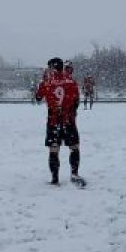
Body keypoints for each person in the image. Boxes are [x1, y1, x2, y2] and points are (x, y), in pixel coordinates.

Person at [35, 57, 85, 187]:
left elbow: (38, 97)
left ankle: (55, 178)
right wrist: (70, 111)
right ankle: (74, 173)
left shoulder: (47, 82)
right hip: (68, 120)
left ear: (52, 67)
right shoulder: (70, 81)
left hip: (54, 121)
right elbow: (76, 100)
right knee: (74, 147)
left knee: (53, 149)